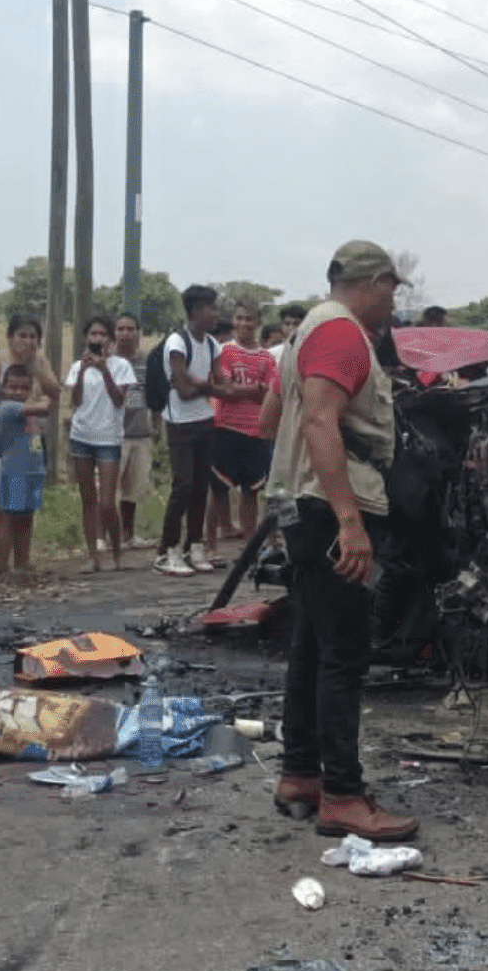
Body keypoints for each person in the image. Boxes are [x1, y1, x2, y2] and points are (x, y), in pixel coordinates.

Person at [263, 240, 415, 842]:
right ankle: (344, 796)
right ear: (374, 281)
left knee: (312, 646)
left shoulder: (302, 335)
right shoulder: (343, 334)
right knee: (346, 654)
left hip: (303, 503)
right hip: (332, 507)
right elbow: (322, 419)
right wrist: (350, 521)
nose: (393, 301)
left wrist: (289, 478)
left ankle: (301, 774)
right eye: (392, 289)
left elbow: (270, 421)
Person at [0, 313, 60, 578]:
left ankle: (22, 560)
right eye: (22, 335)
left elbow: (55, 392)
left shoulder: (40, 361)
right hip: (4, 442)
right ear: (10, 337)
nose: (27, 341)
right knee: (0, 505)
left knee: (25, 507)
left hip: (29, 441)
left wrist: (36, 368)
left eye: (33, 336)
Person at [156, 284, 226, 576]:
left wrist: (202, 385)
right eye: (211, 308)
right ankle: (166, 550)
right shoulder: (177, 341)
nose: (215, 314)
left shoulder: (212, 345)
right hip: (180, 422)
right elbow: (182, 388)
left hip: (204, 420)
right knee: (183, 485)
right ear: (197, 310)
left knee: (200, 486)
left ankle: (193, 544)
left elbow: (219, 384)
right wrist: (206, 386)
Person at [66, 315, 137, 571]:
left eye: (102, 335)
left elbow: (120, 400)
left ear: (110, 339)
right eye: (93, 335)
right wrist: (85, 370)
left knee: (107, 503)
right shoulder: (77, 367)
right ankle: (93, 556)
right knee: (89, 500)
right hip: (82, 435)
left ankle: (117, 553)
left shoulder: (121, 366)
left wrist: (104, 370)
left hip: (108, 437)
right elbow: (75, 400)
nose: (97, 339)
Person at [208, 302, 277, 548]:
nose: (244, 324)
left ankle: (250, 545)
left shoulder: (266, 358)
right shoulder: (223, 351)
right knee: (219, 489)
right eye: (239, 318)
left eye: (249, 319)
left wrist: (243, 390)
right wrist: (253, 390)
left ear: (257, 322)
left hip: (255, 430)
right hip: (226, 427)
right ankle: (211, 546)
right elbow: (225, 388)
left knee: (252, 491)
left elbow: (270, 393)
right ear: (233, 321)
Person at [0, 363, 50, 578]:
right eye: (12, 387)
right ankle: (2, 564)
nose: (17, 392)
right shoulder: (7, 408)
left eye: (23, 388)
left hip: (32, 469)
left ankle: (22, 562)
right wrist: (51, 392)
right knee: (9, 517)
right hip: (14, 471)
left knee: (26, 517)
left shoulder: (27, 410)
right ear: (4, 388)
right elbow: (45, 407)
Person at [112, 312, 158, 546]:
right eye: (121, 329)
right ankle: (105, 537)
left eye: (131, 329)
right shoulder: (107, 361)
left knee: (133, 489)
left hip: (141, 431)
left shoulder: (146, 359)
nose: (126, 334)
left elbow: (155, 393)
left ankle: (128, 536)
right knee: (110, 489)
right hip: (114, 433)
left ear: (139, 333)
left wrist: (156, 425)